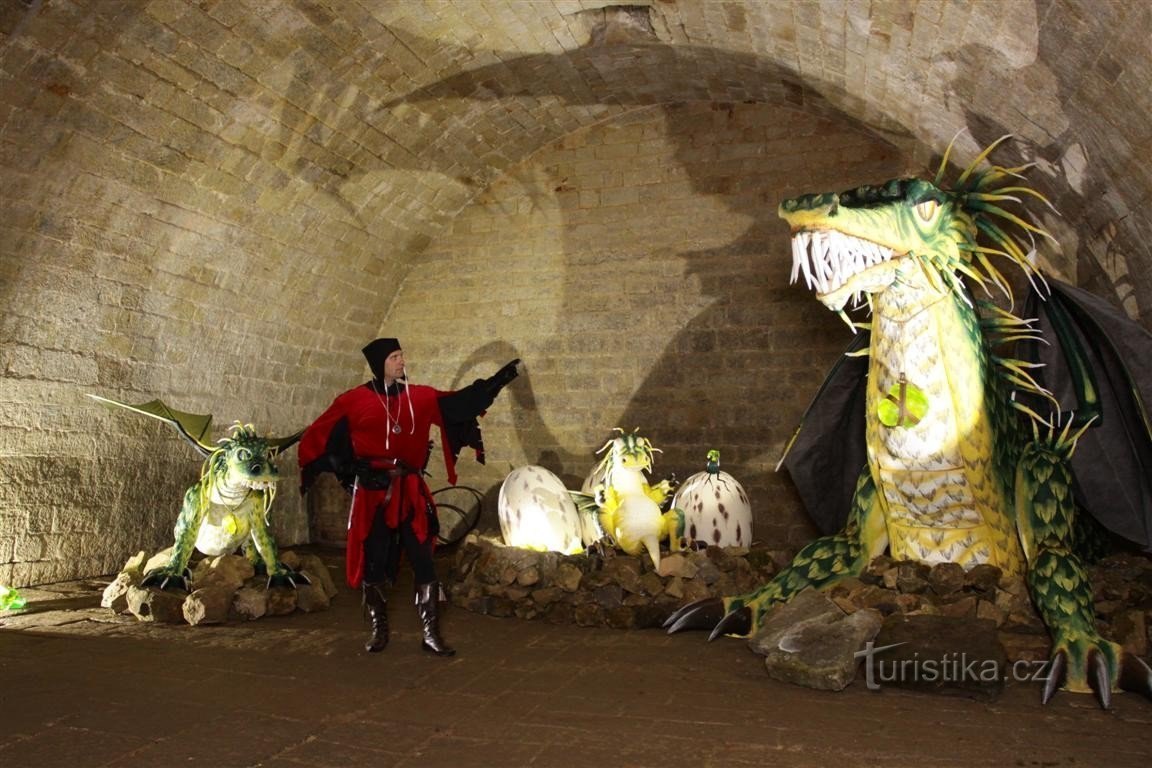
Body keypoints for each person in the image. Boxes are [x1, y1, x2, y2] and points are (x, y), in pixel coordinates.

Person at [299, 338, 519, 655]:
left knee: (423, 560)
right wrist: (346, 466)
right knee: (374, 563)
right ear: (379, 364)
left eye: (402, 355)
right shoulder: (353, 400)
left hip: (410, 491)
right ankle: (378, 630)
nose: (402, 361)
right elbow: (319, 437)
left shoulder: (420, 397)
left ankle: (431, 634)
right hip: (373, 494)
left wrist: (496, 383)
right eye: (394, 357)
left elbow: (459, 405)